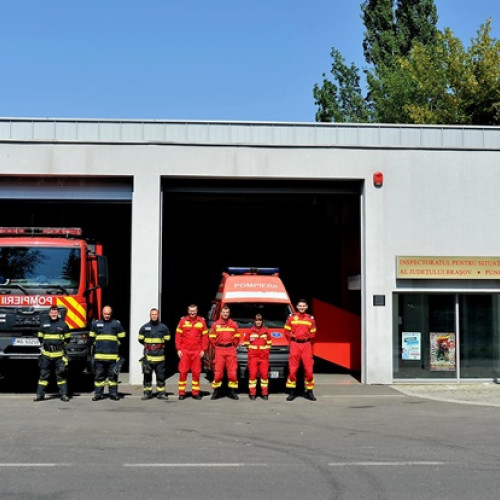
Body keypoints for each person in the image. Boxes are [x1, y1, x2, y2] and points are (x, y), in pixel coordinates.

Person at [89, 305, 126, 401]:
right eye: (105, 314)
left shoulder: (116, 324)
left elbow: (122, 338)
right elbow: (91, 338)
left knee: (113, 377)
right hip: (99, 356)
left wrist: (116, 346)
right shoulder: (96, 324)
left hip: (112, 356)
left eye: (109, 314)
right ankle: (98, 394)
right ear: (102, 313)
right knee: (98, 377)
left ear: (111, 313)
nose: (107, 316)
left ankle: (113, 394)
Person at [34, 305, 71, 402]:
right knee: (43, 375)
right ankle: (40, 395)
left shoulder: (64, 325)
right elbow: (40, 337)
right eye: (52, 312)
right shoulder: (44, 324)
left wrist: (58, 346)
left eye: (55, 312)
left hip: (59, 355)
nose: (53, 314)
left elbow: (68, 339)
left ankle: (64, 395)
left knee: (61, 375)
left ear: (58, 313)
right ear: (49, 313)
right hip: (46, 355)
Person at [284, 298, 317, 401]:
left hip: (306, 345)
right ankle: (292, 392)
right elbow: (286, 331)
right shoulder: (291, 318)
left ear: (306, 307)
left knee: (309, 370)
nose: (302, 307)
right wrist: (293, 341)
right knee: (293, 370)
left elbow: (313, 333)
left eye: (304, 306)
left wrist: (307, 342)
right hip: (295, 344)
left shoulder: (310, 319)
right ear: (297, 307)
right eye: (300, 306)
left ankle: (310, 391)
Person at [175, 304, 209, 400]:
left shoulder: (201, 322)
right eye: (190, 311)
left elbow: (205, 337)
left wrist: (203, 349)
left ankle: (195, 393)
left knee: (196, 372)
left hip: (197, 351)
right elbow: (178, 336)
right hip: (185, 351)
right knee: (183, 372)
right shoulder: (182, 321)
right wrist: (178, 349)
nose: (192, 312)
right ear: (187, 311)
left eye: (194, 310)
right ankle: (182, 393)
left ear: (197, 311)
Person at [138, 308, 171, 400]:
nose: (154, 316)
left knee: (161, 376)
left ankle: (161, 393)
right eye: (152, 314)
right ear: (150, 315)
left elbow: (168, 339)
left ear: (158, 315)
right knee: (147, 376)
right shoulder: (144, 327)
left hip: (160, 358)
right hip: (148, 358)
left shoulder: (163, 328)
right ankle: (147, 393)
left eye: (156, 314)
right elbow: (140, 339)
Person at [209, 305, 240, 400]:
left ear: (229, 313)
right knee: (218, 372)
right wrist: (218, 346)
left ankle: (232, 392)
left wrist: (231, 346)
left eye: (227, 312)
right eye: (224, 312)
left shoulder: (233, 324)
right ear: (221, 313)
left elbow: (237, 338)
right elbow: (211, 337)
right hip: (220, 349)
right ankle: (216, 391)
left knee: (232, 372)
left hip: (230, 349)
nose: (225, 314)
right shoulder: (215, 325)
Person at [244, 313, 272, 400]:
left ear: (262, 321)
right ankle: (252, 393)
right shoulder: (250, 331)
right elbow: (246, 343)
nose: (258, 322)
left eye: (260, 320)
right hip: (253, 357)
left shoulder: (266, 331)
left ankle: (264, 393)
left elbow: (269, 343)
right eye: (257, 320)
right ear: (254, 321)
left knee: (264, 376)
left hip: (263, 357)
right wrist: (252, 351)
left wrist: (265, 352)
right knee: (252, 376)